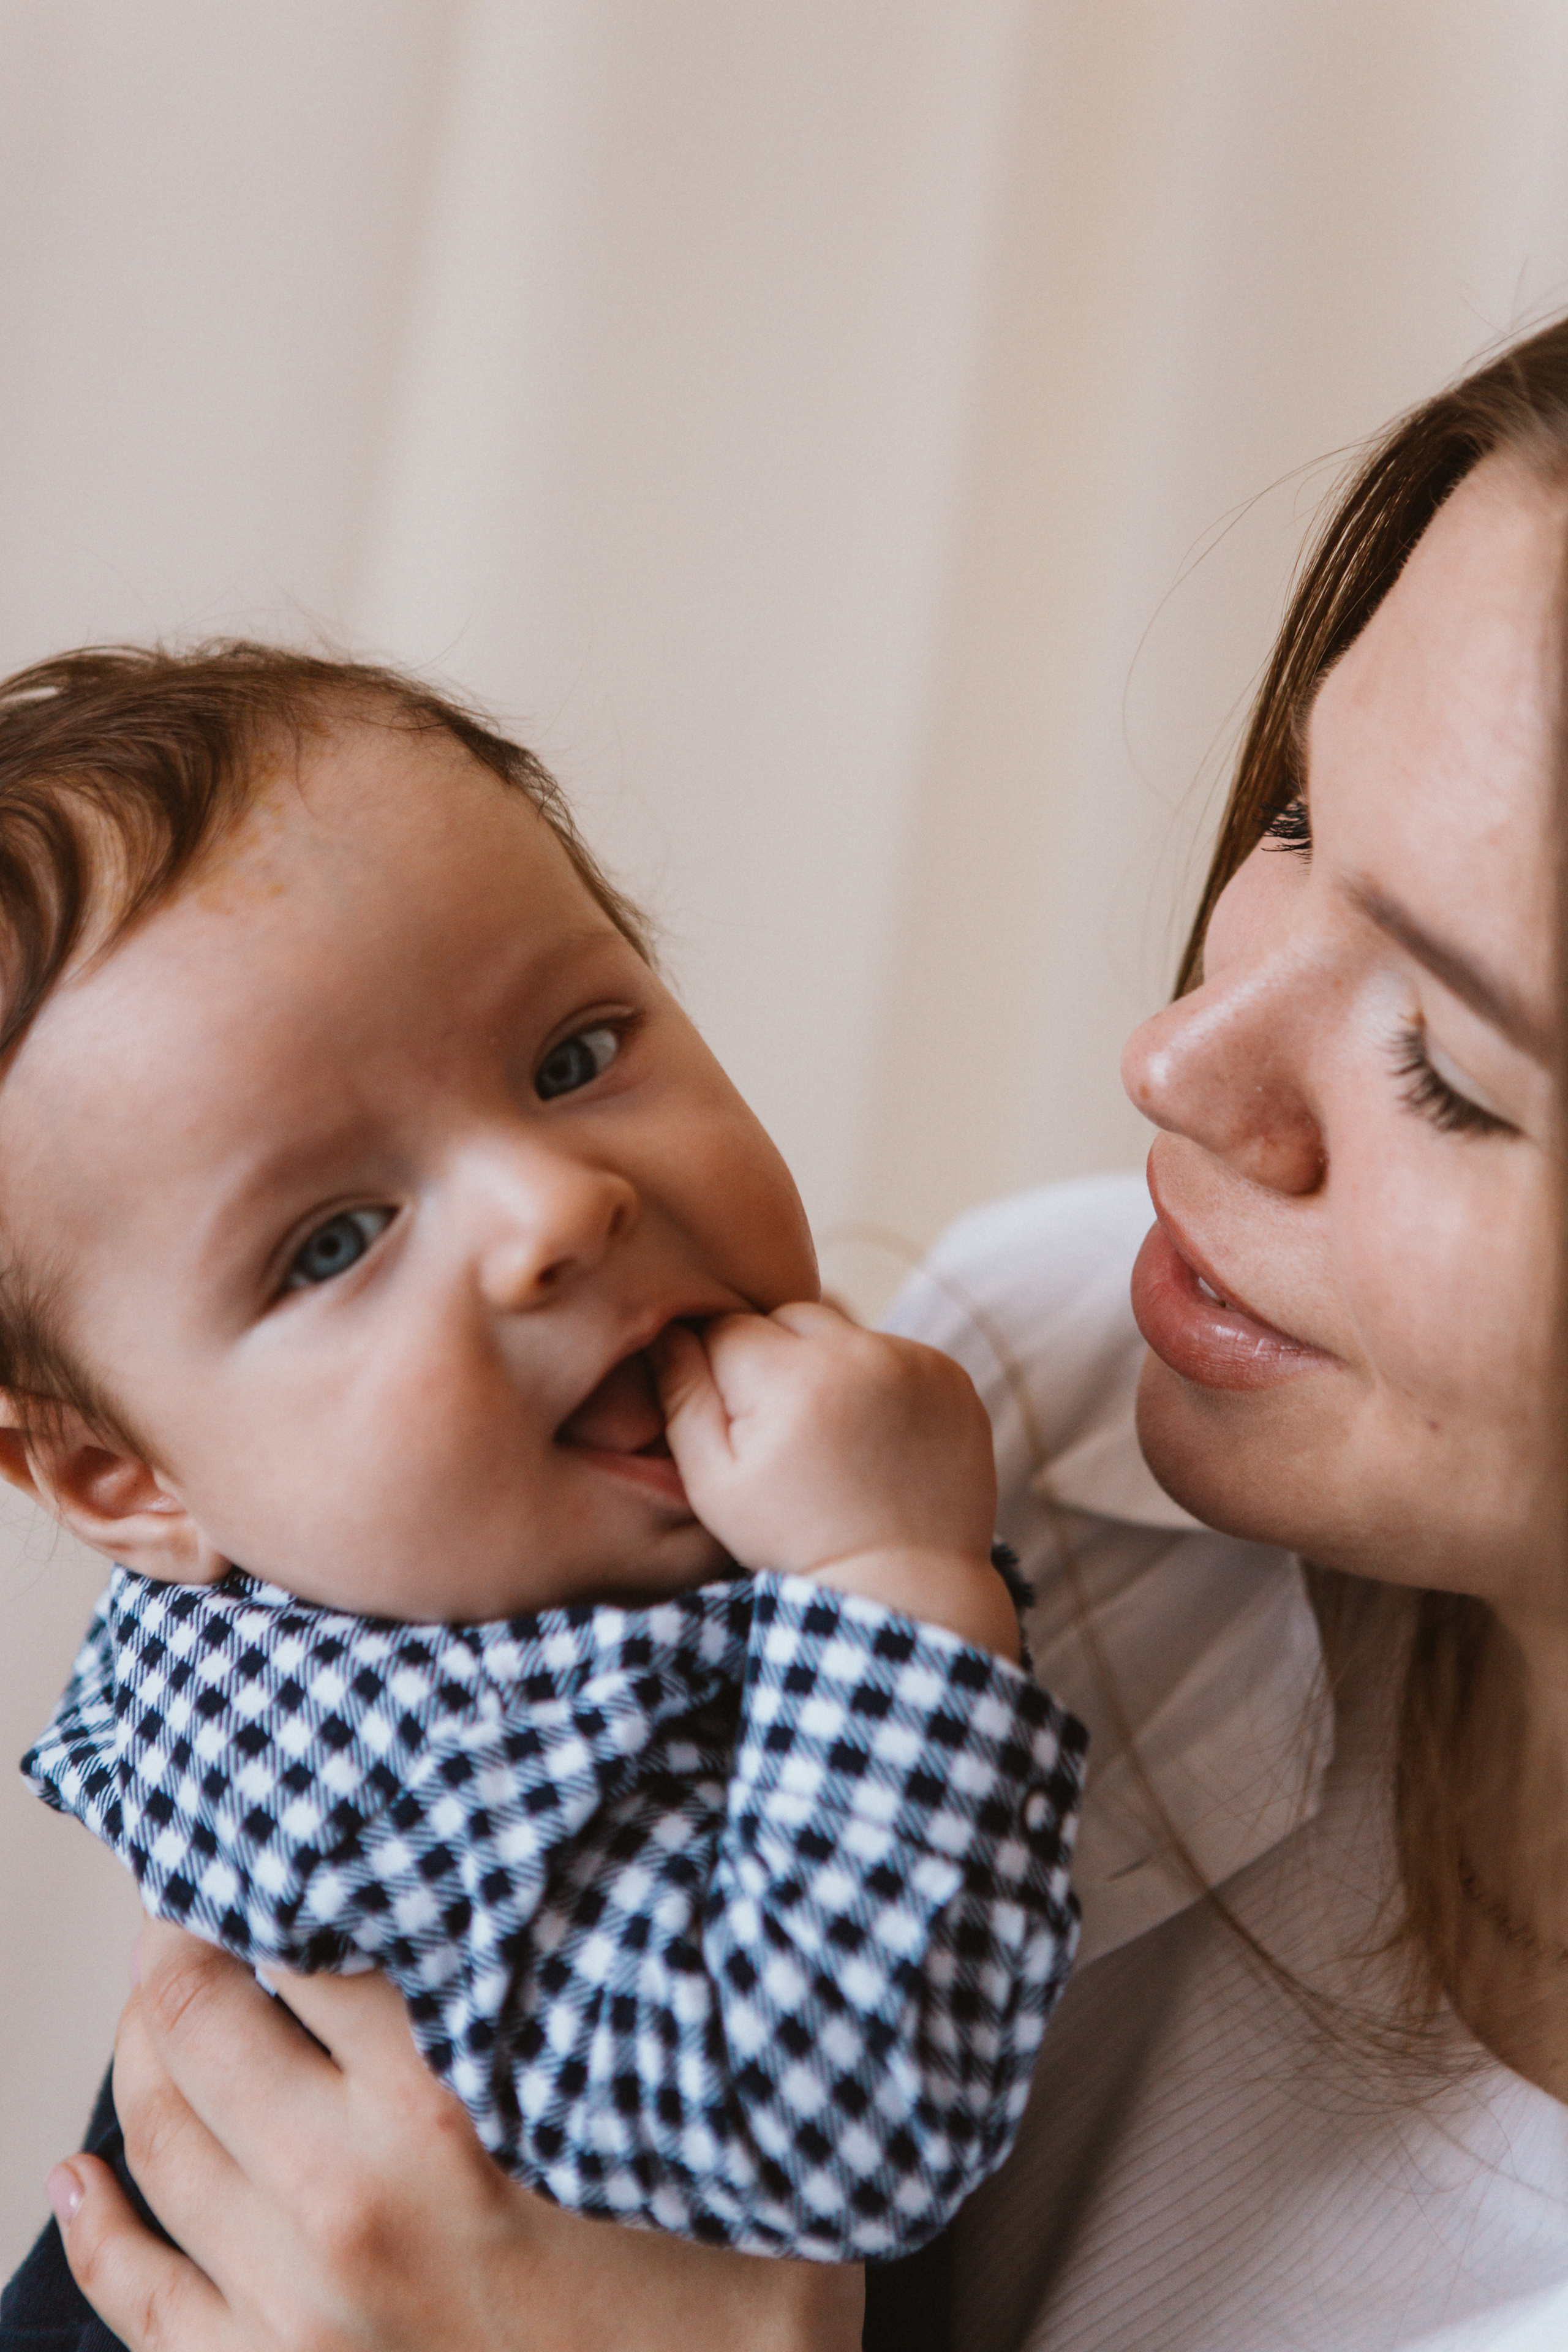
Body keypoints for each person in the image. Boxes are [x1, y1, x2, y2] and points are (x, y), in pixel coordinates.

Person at [14, 309, 1568, 2348]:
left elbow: (809, 2112)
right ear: (117, 1476)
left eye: (1448, 1064)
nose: (1175, 1060)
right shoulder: (1048, 1376)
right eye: (1293, 819)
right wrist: (891, 1577)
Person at [0, 646, 1082, 2337]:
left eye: (573, 1058)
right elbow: (813, 2125)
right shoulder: (376, 1764)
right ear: (123, 1476)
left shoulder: (479, 1579)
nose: (559, 1208)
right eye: (336, 1243)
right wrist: (890, 1579)